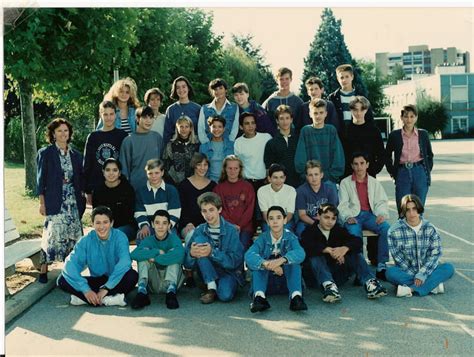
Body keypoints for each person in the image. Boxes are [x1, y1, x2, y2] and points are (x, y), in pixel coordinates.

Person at [301, 204, 387, 302]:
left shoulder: (337, 230)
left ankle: (370, 283)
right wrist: (327, 250)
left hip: (338, 274)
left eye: (333, 219)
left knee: (353, 250)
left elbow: (356, 241)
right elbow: (305, 246)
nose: (330, 222)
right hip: (316, 276)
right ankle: (329, 287)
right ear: (318, 216)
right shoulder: (309, 231)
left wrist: (344, 249)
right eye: (326, 217)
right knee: (315, 255)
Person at [36, 118, 86, 283]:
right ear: (53, 134)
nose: (63, 134)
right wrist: (42, 203)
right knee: (52, 235)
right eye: (59, 131)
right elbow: (40, 181)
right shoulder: (46, 153)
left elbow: (80, 179)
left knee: (73, 237)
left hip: (73, 202)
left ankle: (71, 271)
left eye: (66, 131)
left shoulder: (76, 155)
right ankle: (43, 270)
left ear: (69, 133)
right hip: (55, 200)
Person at [57, 206, 138, 306]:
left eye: (105, 222)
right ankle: (107, 300)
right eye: (98, 223)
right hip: (97, 280)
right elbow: (70, 265)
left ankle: (86, 299)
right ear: (92, 224)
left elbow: (124, 263)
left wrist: (106, 288)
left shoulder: (120, 237)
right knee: (62, 279)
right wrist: (85, 290)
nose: (102, 227)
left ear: (111, 223)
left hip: (115, 279)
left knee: (132, 275)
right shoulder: (86, 240)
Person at [386, 194, 455, 297]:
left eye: (414, 209)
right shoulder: (393, 231)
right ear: (404, 211)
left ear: (419, 209)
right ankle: (432, 286)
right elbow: (399, 260)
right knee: (390, 273)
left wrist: (423, 274)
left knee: (449, 268)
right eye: (408, 210)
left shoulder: (430, 229)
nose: (411, 213)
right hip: (407, 272)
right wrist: (417, 276)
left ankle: (410, 289)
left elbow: (435, 255)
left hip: (428, 271)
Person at [184, 192, 244, 304]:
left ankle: (217, 287)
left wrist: (212, 252)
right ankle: (211, 288)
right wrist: (191, 255)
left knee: (225, 296)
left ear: (219, 209)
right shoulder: (199, 230)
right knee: (200, 242)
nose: (208, 215)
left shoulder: (231, 230)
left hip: (228, 271)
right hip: (206, 270)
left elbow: (235, 261)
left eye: (211, 210)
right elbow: (187, 264)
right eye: (204, 211)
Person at [338, 152, 390, 280]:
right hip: (354, 216)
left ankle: (382, 264)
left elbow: (381, 201)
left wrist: (381, 214)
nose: (359, 167)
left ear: (367, 164)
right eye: (356, 164)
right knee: (354, 233)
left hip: (370, 215)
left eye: (362, 163)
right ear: (352, 166)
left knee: (386, 228)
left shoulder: (373, 182)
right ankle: (359, 268)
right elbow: (342, 204)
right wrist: (347, 217)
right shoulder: (345, 183)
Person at [245, 206, 308, 312]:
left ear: (284, 220)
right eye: (271, 218)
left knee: (294, 263)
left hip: (286, 282)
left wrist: (282, 260)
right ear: (267, 222)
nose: (275, 221)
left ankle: (296, 297)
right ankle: (259, 298)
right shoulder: (262, 238)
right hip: (267, 283)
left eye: (278, 218)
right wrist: (267, 264)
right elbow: (249, 255)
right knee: (259, 265)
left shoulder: (291, 237)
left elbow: (300, 253)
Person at [130, 210, 185, 310]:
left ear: (169, 225)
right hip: (154, 282)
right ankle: (142, 293)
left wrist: (156, 259)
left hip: (173, 280)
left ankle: (171, 294)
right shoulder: (148, 240)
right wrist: (157, 251)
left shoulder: (174, 239)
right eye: (157, 223)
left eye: (164, 223)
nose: (160, 226)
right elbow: (134, 254)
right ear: (152, 224)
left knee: (174, 259)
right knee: (143, 258)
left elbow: (180, 255)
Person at [385, 104, 434, 213]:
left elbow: (430, 155)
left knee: (418, 208)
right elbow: (387, 155)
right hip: (402, 172)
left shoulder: (423, 134)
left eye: (412, 116)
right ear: (401, 118)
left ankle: (417, 229)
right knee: (403, 207)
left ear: (416, 118)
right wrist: (393, 171)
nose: (409, 119)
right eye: (406, 116)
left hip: (419, 172)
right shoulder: (394, 135)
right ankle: (402, 228)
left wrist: (425, 170)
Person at [83, 101, 128, 204]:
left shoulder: (122, 136)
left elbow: (127, 161)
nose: (109, 117)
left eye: (111, 114)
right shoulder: (93, 137)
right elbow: (87, 164)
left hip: (118, 185)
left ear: (116, 115)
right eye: (105, 114)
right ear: (101, 115)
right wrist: (87, 190)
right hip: (98, 186)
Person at [294, 99, 345, 186]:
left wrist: (332, 176)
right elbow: (300, 157)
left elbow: (338, 157)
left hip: (329, 180)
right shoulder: (306, 131)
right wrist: (306, 175)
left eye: (321, 113)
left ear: (326, 114)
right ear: (310, 114)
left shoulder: (331, 130)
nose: (318, 116)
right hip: (309, 179)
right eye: (315, 113)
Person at [213, 155, 255, 250]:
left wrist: (239, 225)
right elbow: (219, 210)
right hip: (225, 227)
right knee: (227, 248)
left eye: (236, 168)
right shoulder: (218, 188)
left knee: (241, 247)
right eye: (230, 168)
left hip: (245, 227)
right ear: (225, 169)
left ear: (240, 169)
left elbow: (249, 210)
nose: (233, 171)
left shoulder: (248, 187)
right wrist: (231, 225)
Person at [135, 159, 181, 243]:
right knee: (141, 238)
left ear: (162, 173)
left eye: (157, 173)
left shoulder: (171, 190)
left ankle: (166, 256)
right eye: (150, 173)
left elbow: (175, 212)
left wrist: (166, 226)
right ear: (146, 174)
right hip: (149, 226)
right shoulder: (141, 191)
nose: (153, 176)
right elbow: (139, 212)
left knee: (173, 240)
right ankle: (149, 256)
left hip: (167, 226)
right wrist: (144, 226)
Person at [119, 105, 164, 191]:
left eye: (151, 117)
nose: (148, 120)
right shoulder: (128, 141)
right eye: (145, 117)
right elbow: (124, 169)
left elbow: (163, 162)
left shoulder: (157, 137)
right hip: (135, 188)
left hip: (156, 187)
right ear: (137, 119)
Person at [92, 158, 136, 241]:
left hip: (126, 226)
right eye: (108, 170)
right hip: (104, 226)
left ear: (119, 173)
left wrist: (110, 229)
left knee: (113, 236)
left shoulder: (127, 189)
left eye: (115, 170)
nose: (111, 173)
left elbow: (129, 216)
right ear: (103, 172)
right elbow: (96, 214)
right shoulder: (98, 191)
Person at [178, 153, 217, 244]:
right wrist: (188, 223)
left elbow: (214, 209)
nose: (202, 168)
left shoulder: (213, 186)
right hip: (187, 225)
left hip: (208, 224)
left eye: (205, 165)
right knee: (193, 237)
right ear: (193, 165)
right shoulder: (184, 185)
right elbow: (181, 208)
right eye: (199, 165)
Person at [343, 96, 385, 178]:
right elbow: (342, 155)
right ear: (350, 110)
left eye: (362, 109)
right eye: (355, 110)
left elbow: (381, 154)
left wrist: (373, 170)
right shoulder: (344, 131)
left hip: (369, 175)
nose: (358, 113)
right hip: (349, 176)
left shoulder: (374, 130)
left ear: (366, 110)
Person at [295, 160, 339, 238]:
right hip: (307, 221)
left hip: (327, 220)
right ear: (306, 176)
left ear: (321, 175)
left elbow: (332, 212)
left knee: (337, 233)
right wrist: (316, 224)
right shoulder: (301, 191)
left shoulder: (330, 189)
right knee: (300, 232)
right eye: (310, 175)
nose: (314, 178)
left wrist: (323, 222)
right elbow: (302, 215)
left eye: (316, 174)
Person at [327, 64, 374, 131]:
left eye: (347, 77)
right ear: (338, 79)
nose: (344, 80)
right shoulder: (332, 98)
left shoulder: (361, 96)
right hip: (339, 135)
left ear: (352, 77)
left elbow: (369, 117)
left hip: (358, 133)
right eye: (341, 77)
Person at [264, 104, 301, 188]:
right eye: (281, 118)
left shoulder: (299, 139)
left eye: (287, 118)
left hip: (298, 183)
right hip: (280, 184)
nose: (285, 122)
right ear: (277, 121)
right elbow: (269, 167)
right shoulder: (271, 143)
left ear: (291, 119)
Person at [234, 112, 272, 193]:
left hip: (265, 182)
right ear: (241, 126)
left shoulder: (266, 138)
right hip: (247, 183)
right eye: (247, 123)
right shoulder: (238, 142)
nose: (250, 126)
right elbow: (238, 164)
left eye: (253, 123)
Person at [198, 78, 239, 144]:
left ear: (226, 90)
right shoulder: (204, 108)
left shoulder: (234, 107)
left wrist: (229, 143)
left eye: (220, 88)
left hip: (227, 147)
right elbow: (201, 129)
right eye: (215, 89)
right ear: (212, 92)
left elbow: (235, 129)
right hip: (208, 147)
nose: (218, 91)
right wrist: (206, 144)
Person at [162, 115, 200, 186]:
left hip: (194, 183)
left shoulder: (197, 144)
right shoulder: (170, 145)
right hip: (174, 183)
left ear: (191, 128)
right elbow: (165, 166)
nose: (184, 129)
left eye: (186, 126)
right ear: (177, 128)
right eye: (181, 126)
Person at [257, 164, 296, 232]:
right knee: (268, 233)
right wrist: (274, 225)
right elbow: (265, 213)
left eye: (281, 177)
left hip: (286, 221)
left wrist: (281, 225)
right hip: (269, 221)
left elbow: (290, 213)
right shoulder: (262, 191)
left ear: (285, 178)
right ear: (269, 178)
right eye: (275, 177)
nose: (278, 181)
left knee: (286, 233)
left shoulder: (291, 190)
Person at [163, 76, 201, 145]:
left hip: (195, 148)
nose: (181, 90)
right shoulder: (171, 109)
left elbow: (201, 132)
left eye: (183, 86)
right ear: (175, 90)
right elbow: (167, 133)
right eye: (178, 87)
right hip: (176, 149)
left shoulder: (197, 108)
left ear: (188, 88)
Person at [199, 115, 234, 182]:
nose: (216, 129)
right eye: (214, 126)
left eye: (220, 127)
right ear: (209, 129)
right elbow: (200, 169)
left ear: (224, 129)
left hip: (228, 182)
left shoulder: (231, 145)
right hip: (209, 182)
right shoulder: (203, 147)